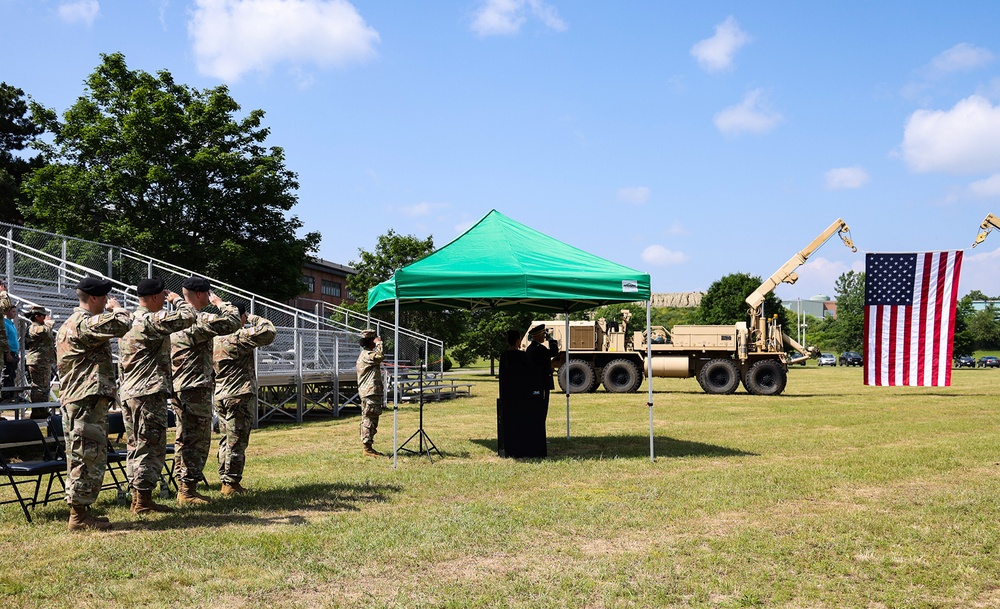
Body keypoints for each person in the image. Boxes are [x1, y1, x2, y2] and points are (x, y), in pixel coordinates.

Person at [56, 277, 131, 531]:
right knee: (85, 455)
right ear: (96, 298)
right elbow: (123, 324)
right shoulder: (84, 323)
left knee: (85, 454)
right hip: (84, 399)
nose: (107, 302)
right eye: (105, 298)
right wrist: (117, 308)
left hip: (80, 398)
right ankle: (77, 516)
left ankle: (82, 512)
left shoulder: (68, 323)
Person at [118, 277, 196, 515]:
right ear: (154, 297)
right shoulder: (150, 320)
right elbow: (188, 316)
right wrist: (177, 301)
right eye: (163, 295)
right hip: (147, 393)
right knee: (150, 446)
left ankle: (139, 498)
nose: (165, 299)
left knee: (136, 445)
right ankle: (142, 501)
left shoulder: (130, 320)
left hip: (131, 392)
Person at [170, 276, 240, 504]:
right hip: (194, 388)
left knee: (183, 439)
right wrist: (220, 303)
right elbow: (232, 321)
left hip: (180, 386)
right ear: (201, 295)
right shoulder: (198, 319)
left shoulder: (176, 318)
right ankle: (187, 491)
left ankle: (183, 487)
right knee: (196, 441)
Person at [213, 303, 276, 495]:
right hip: (238, 395)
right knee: (237, 441)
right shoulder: (238, 337)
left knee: (226, 440)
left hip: (221, 395)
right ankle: (230, 484)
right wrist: (251, 318)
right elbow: (269, 331)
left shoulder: (215, 338)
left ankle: (225, 478)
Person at [356, 329, 386, 457]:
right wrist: (380, 343)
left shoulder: (365, 354)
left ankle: (368, 447)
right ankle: (367, 448)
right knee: (370, 419)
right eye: (374, 339)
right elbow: (380, 356)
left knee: (370, 418)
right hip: (370, 392)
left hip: (369, 392)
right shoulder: (368, 355)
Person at [24, 305, 55, 418]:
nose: (45, 318)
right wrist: (48, 323)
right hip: (37, 361)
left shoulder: (40, 326)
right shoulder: (34, 327)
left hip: (43, 360)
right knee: (39, 387)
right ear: (37, 316)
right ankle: (37, 411)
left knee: (44, 387)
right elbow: (45, 332)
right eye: (43, 316)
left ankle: (42, 410)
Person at [525, 324, 556, 419]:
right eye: (543, 334)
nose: (544, 337)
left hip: (535, 383)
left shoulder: (531, 348)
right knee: (542, 410)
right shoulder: (539, 349)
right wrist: (551, 341)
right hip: (541, 383)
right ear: (538, 336)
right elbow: (554, 352)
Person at [3, 306, 20, 391]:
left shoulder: (11, 324)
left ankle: (11, 395)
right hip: (9, 353)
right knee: (7, 374)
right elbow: (5, 339)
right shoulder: (4, 324)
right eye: (13, 311)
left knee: (12, 374)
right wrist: (8, 353)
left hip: (14, 352)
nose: (15, 313)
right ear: (7, 312)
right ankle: (6, 394)